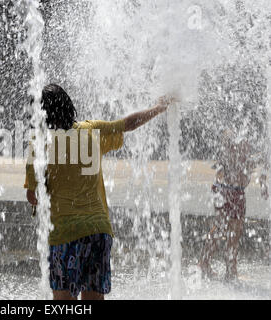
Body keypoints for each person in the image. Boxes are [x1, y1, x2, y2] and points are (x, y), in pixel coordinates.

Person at [24, 84, 175, 300]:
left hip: (64, 234)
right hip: (97, 231)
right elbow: (128, 124)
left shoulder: (38, 145)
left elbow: (33, 196)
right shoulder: (90, 130)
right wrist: (159, 107)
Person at [199, 129, 269, 281]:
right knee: (221, 228)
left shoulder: (253, 146)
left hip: (238, 192)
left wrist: (263, 182)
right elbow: (224, 159)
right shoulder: (232, 141)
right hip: (225, 190)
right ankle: (205, 263)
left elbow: (265, 158)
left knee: (234, 232)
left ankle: (231, 270)